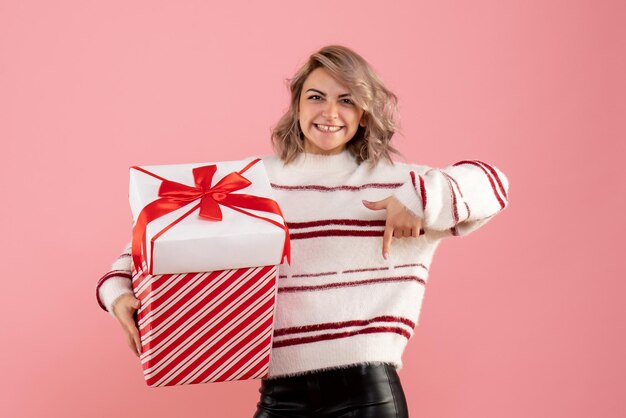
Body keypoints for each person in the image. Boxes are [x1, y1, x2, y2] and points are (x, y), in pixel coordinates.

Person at [96, 44, 510, 418]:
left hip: (366, 395)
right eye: (316, 97)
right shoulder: (251, 182)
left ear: (364, 112)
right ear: (296, 106)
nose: (330, 114)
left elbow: (493, 184)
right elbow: (155, 240)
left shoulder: (400, 186)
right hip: (280, 394)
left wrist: (421, 200)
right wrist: (117, 293)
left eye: (346, 101)